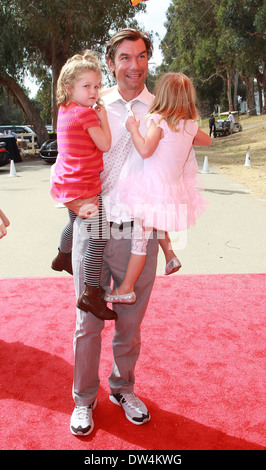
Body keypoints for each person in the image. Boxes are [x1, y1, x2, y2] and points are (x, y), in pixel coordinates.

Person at [67, 28, 159, 436]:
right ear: (111, 63)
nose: (134, 65)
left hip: (140, 229)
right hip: (94, 223)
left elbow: (173, 165)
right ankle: (83, 399)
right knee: (88, 321)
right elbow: (65, 164)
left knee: (130, 320)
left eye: (141, 57)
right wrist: (73, 206)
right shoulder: (89, 102)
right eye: (125, 57)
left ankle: (123, 388)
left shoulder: (162, 107)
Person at [105, 72, 212, 304]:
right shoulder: (190, 126)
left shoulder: (160, 122)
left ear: (162, 95)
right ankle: (171, 255)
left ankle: (126, 288)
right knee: (157, 222)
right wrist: (188, 136)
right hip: (171, 191)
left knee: (140, 241)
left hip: (151, 189)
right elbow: (208, 141)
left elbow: (144, 150)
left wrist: (133, 128)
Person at [50, 50, 117, 321]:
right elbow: (105, 144)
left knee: (71, 223)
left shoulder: (64, 110)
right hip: (85, 188)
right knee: (98, 237)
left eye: (97, 86)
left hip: (66, 184)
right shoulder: (87, 114)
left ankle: (62, 256)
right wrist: (104, 119)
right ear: (69, 88)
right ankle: (90, 293)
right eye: (87, 86)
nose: (94, 91)